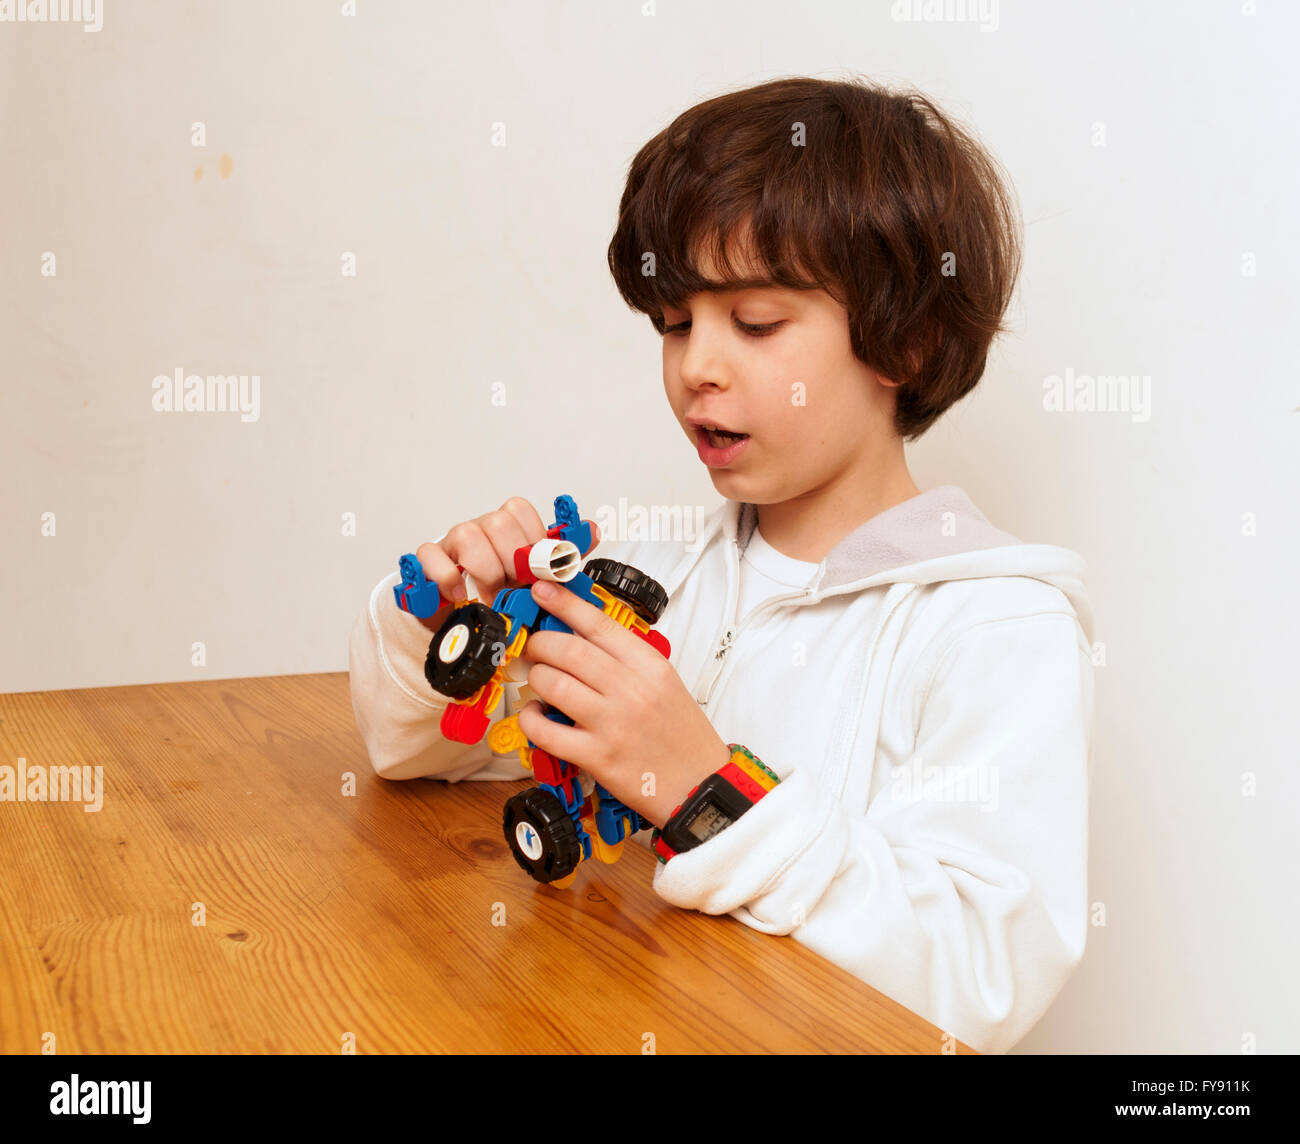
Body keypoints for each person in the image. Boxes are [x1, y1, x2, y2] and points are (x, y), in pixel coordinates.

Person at [348, 75, 1094, 1054]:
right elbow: (413, 752)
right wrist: (450, 622)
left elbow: (971, 978)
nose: (697, 364)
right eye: (673, 322)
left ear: (902, 342)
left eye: (754, 323)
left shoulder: (994, 628)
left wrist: (704, 788)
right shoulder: (657, 576)